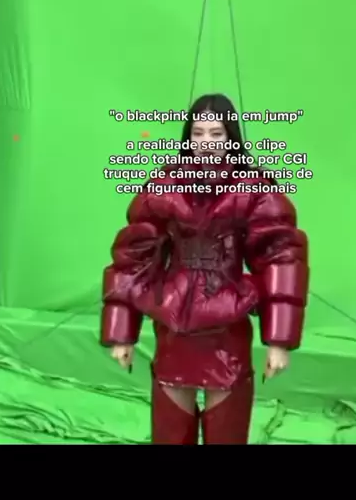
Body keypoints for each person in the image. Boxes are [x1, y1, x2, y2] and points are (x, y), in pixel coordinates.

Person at [100, 93, 309, 444]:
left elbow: (281, 258)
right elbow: (133, 257)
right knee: (170, 422)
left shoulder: (254, 190)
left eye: (216, 133)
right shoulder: (165, 187)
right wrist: (122, 332)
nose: (206, 142)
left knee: (226, 425)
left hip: (227, 320)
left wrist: (279, 341)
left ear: (231, 137)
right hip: (173, 320)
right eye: (198, 133)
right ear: (188, 136)